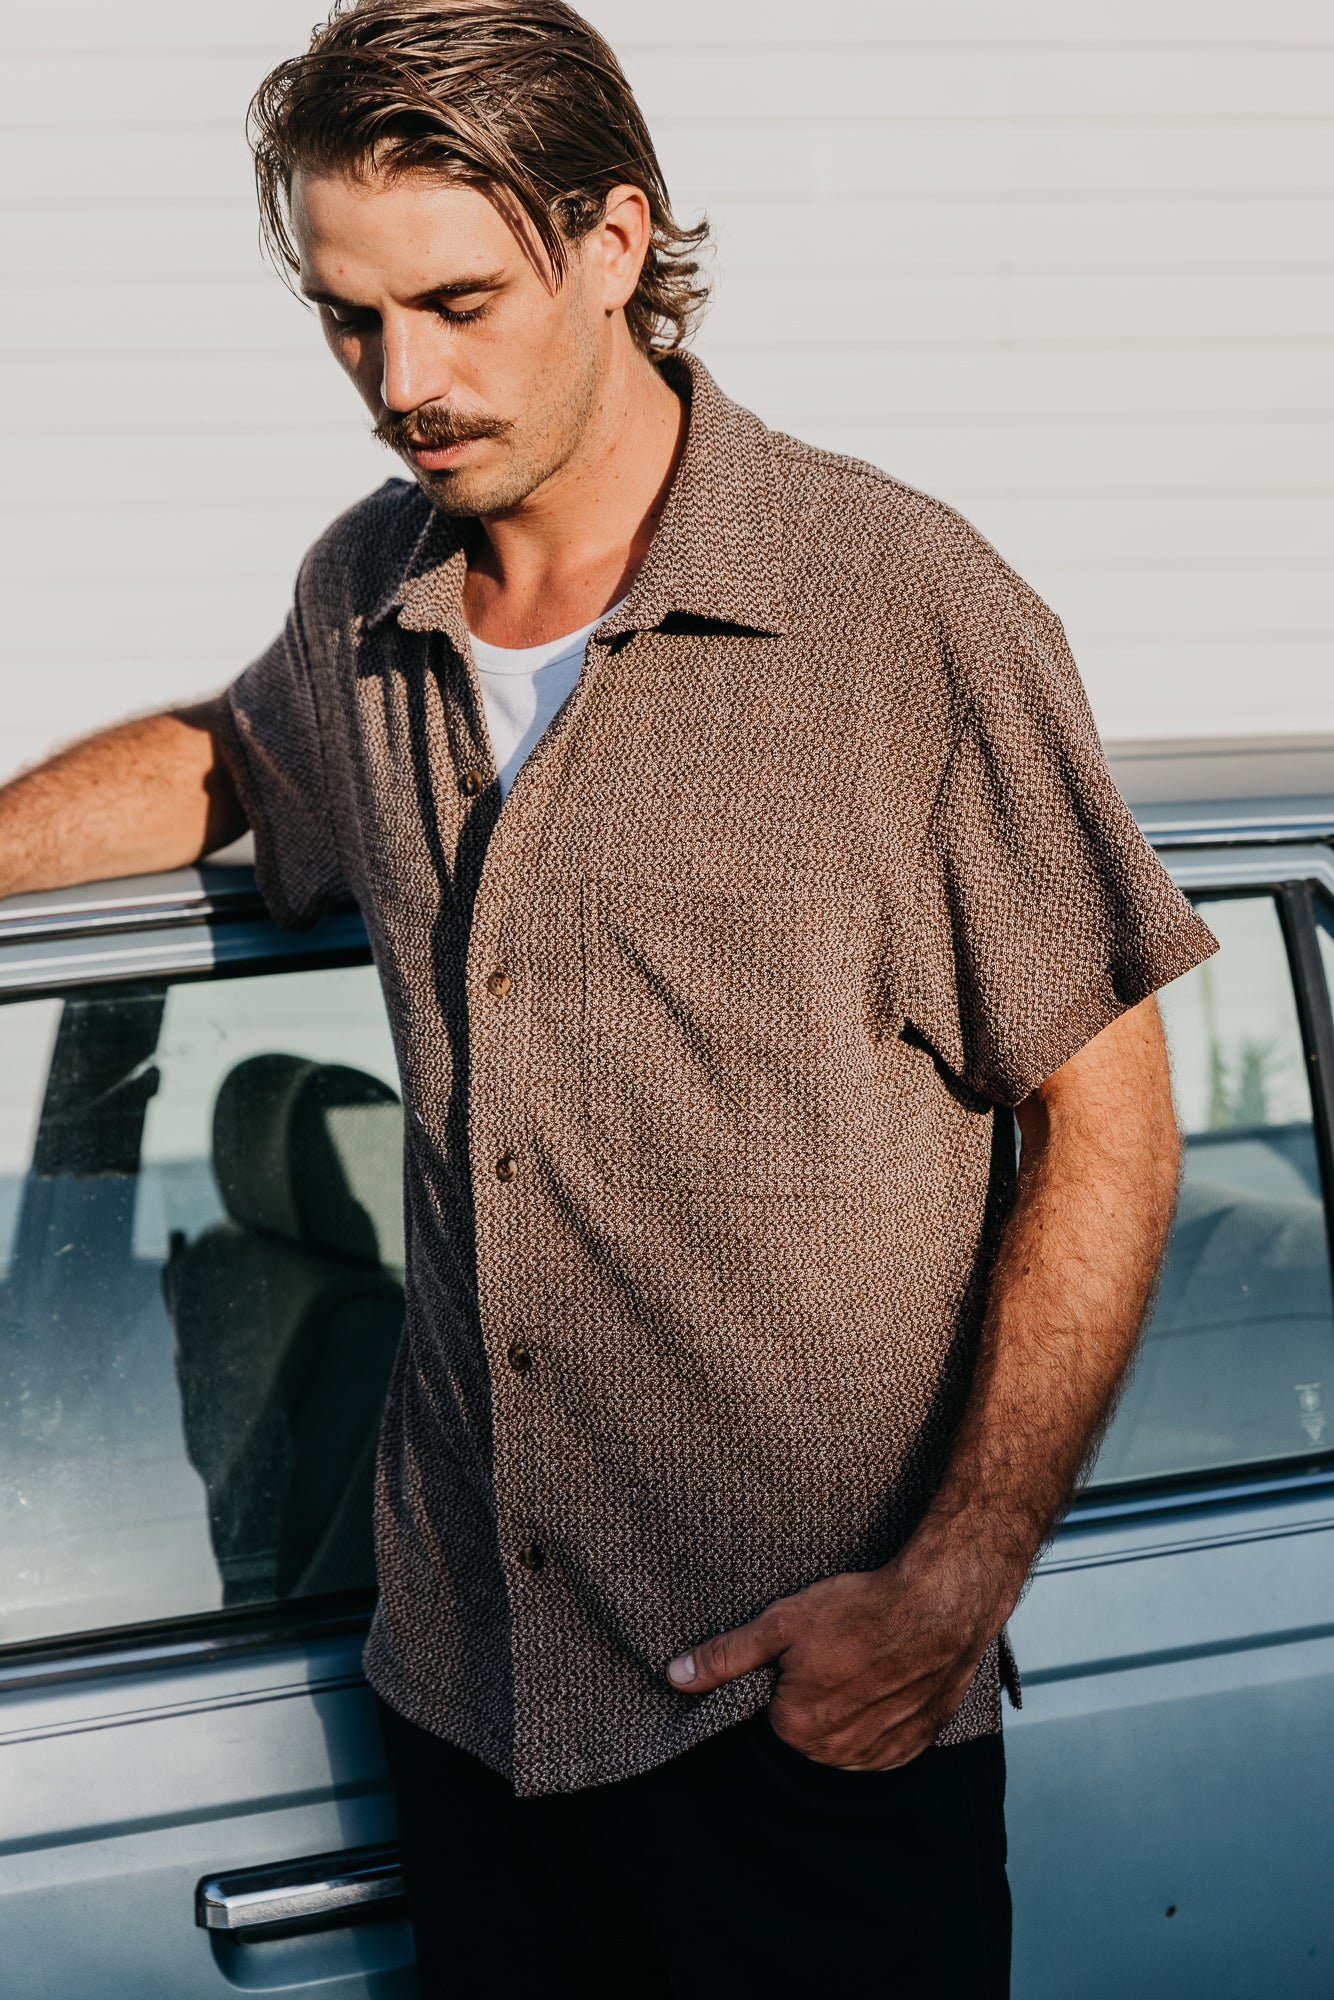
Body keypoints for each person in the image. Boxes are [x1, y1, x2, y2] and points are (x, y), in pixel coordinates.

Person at [0, 3, 1218, 1992]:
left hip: (801, 1727)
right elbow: (234, 762)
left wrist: (949, 1591)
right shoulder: (363, 598)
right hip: (471, 1713)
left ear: (612, 239)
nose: (404, 381)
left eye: (457, 303)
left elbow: (1109, 1117)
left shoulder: (896, 609)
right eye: (349, 319)